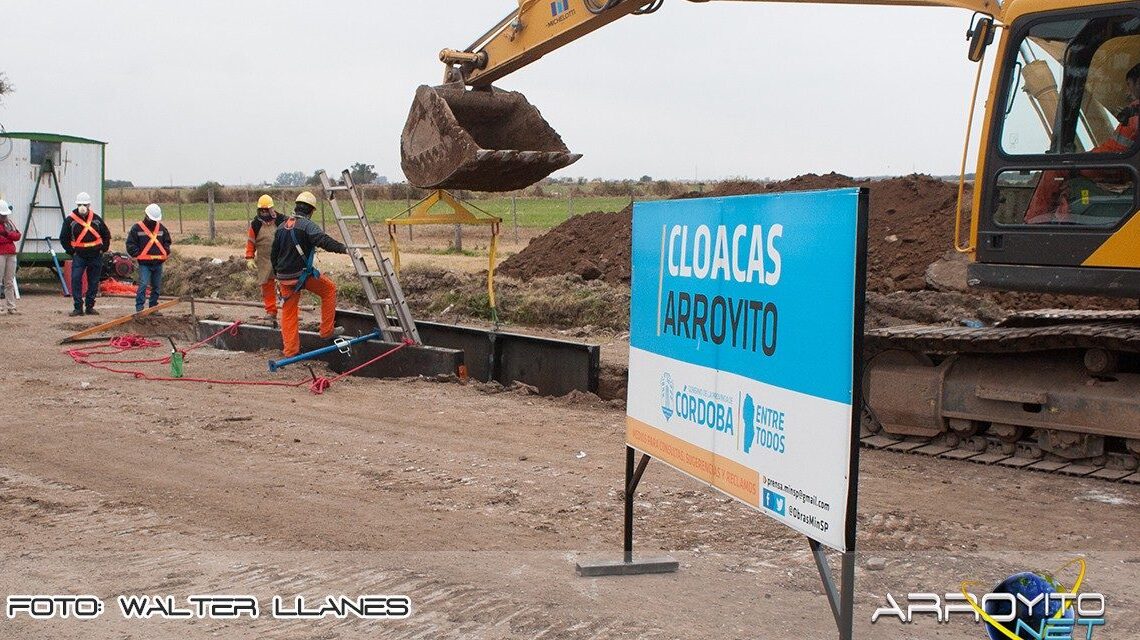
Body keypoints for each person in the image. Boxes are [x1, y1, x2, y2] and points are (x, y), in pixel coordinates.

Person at [1026, 62, 1140, 223]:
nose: (1128, 92)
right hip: (1124, 166)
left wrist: (1084, 159)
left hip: (1119, 167)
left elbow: (1116, 151)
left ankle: (1034, 221)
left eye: (1129, 85)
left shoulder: (1134, 115)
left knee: (1056, 169)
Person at [271, 191, 347, 357]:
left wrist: (277, 274)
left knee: (289, 313)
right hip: (302, 276)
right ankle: (326, 331)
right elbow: (323, 241)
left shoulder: (281, 227)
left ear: (296, 207)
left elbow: (273, 255)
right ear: (311, 210)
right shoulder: (307, 226)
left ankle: (290, 351)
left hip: (284, 278)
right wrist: (343, 248)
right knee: (329, 290)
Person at [59, 191, 112, 316]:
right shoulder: (70, 220)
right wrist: (72, 251)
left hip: (95, 255)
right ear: (77, 205)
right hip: (79, 256)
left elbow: (106, 234)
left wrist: (103, 249)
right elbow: (63, 238)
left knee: (93, 282)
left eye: (85, 204)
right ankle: (78, 307)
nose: (82, 207)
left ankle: (90, 306)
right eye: (80, 205)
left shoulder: (96, 219)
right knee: (76, 279)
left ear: (89, 205)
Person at [245, 194, 286, 322]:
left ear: (271, 209)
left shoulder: (282, 220)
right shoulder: (255, 224)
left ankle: (288, 310)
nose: (263, 213)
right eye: (261, 211)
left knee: (286, 284)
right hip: (264, 259)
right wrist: (249, 257)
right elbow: (251, 242)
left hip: (281, 257)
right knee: (267, 286)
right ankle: (271, 311)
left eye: (266, 210)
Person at [125, 204, 172, 313]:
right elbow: (130, 244)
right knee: (143, 285)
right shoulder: (136, 228)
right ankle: (140, 308)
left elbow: (167, 241)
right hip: (144, 264)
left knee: (156, 287)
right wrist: (137, 254)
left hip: (158, 263)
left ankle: (153, 307)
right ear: (146, 216)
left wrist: (166, 251)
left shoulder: (161, 228)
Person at [0, 199, 21, 314]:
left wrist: (7, 235)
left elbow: (18, 236)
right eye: (2, 215)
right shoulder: (8, 224)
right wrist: (9, 236)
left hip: (11, 254)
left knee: (9, 281)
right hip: (1, 254)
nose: (5, 217)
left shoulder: (9, 223)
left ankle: (11, 306)